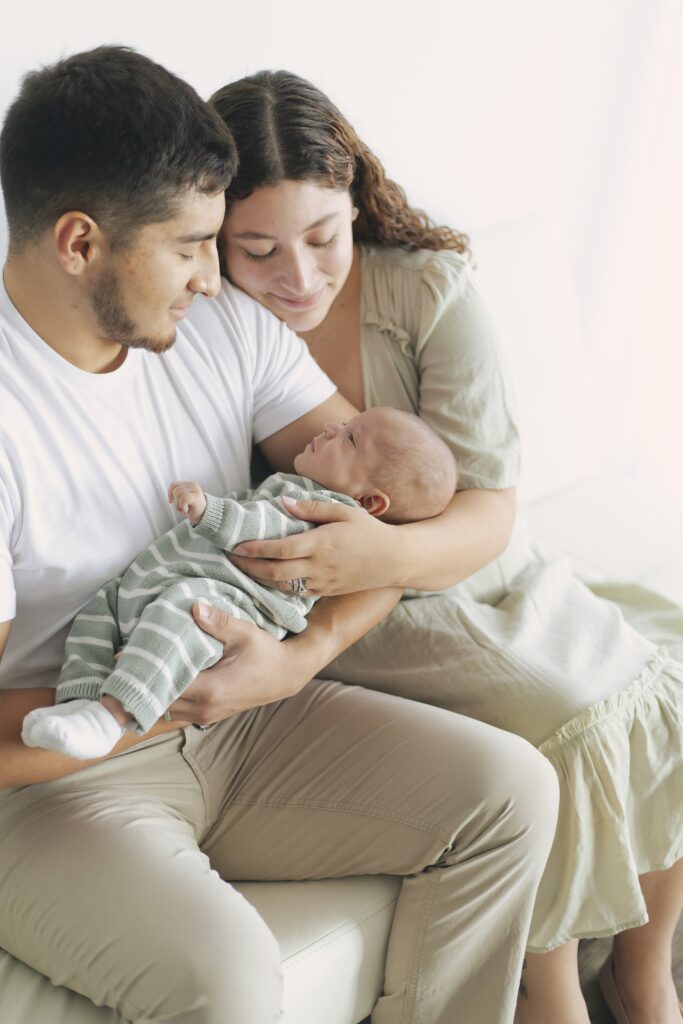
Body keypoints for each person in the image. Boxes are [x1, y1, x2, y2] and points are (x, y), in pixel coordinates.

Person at [0, 46, 559, 1024]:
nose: (217, 281)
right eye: (189, 247)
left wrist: (302, 658)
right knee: (226, 980)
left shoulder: (227, 335)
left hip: (249, 719)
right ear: (80, 242)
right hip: (57, 775)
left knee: (510, 791)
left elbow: (384, 515)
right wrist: (151, 704)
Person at [209, 70, 683, 1024]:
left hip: (467, 563)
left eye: (321, 237)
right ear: (211, 232)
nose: (296, 278)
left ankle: (643, 971)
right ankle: (548, 986)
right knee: (554, 721)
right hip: (345, 607)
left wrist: (384, 552)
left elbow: (489, 510)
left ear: (356, 202)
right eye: (255, 249)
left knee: (647, 693)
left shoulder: (423, 287)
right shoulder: (208, 320)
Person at [21, 407, 457, 759]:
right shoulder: (297, 486)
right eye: (344, 423)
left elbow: (264, 526)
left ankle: (109, 717)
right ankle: (79, 702)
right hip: (159, 583)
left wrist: (208, 509)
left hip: (215, 603)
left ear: (367, 502)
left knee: (180, 616)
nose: (331, 426)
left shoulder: (330, 517)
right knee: (99, 609)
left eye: (350, 438)